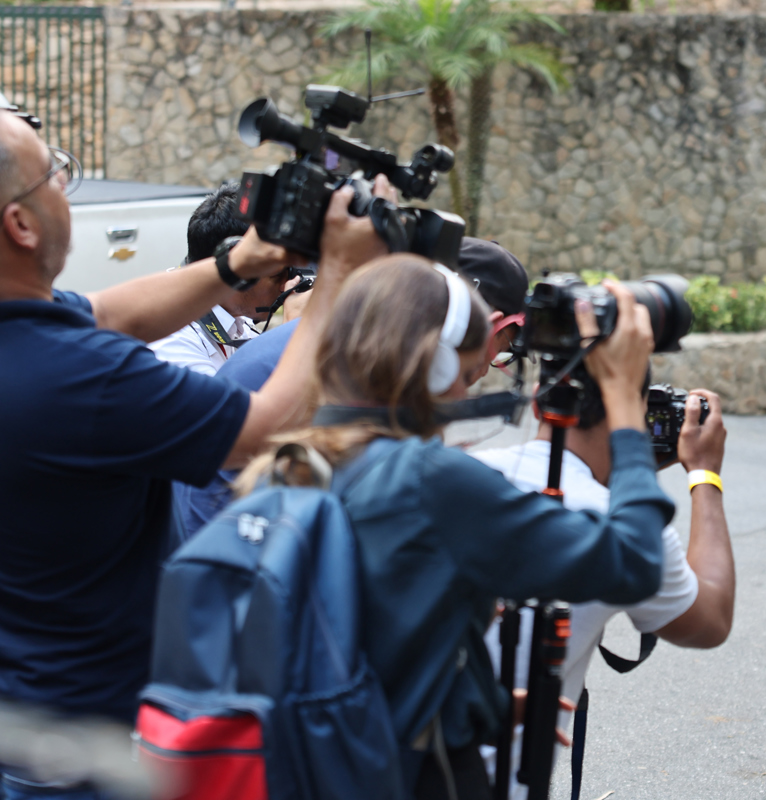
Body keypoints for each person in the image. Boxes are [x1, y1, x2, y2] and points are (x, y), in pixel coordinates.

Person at [0, 108, 387, 799]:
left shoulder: (35, 333)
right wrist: (337, 282)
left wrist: (236, 265)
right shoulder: (80, 381)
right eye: (54, 176)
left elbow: (110, 312)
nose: (66, 185)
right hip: (81, 754)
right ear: (21, 226)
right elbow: (265, 428)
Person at [233, 254, 673, 799]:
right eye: (466, 374)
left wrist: (471, 698)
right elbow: (632, 562)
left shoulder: (279, 470)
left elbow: (359, 642)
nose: (466, 395)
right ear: (434, 368)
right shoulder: (427, 481)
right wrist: (625, 407)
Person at [475, 373, 735, 799]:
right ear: (632, 415)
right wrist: (705, 475)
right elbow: (711, 620)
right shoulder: (628, 533)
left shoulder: (469, 474)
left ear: (542, 404)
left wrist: (625, 474)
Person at [172, 236, 531, 541]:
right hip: (242, 558)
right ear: (481, 328)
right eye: (486, 362)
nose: (475, 381)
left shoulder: (357, 339)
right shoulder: (355, 362)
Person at [148, 181, 310, 374]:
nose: (287, 285)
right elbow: (240, 403)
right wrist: (292, 334)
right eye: (277, 274)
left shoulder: (234, 317)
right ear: (238, 264)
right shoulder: (172, 342)